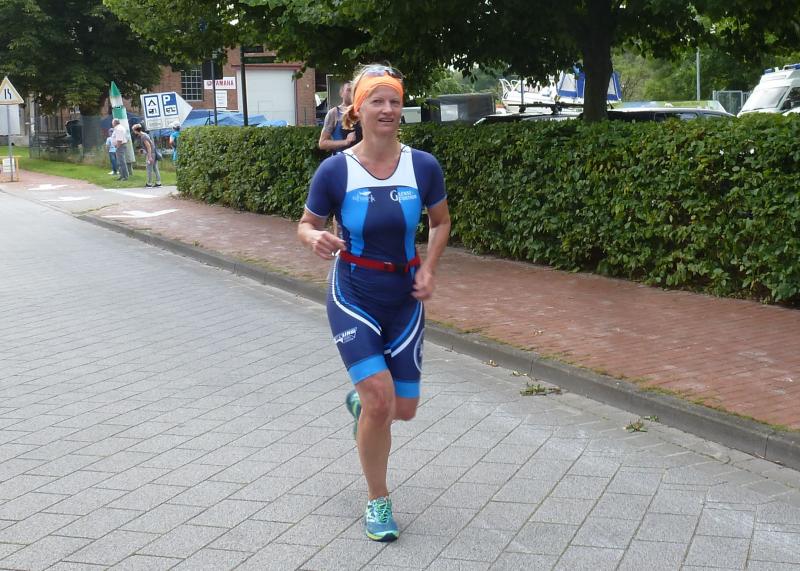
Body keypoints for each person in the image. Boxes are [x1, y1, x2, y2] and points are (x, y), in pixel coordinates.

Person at [298, 64, 451, 542]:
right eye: (377, 101)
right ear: (357, 109)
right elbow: (305, 224)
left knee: (403, 409)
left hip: (405, 297)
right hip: (354, 294)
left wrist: (429, 267)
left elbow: (441, 222)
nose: (387, 110)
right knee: (380, 400)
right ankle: (378, 500)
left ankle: (362, 405)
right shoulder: (335, 170)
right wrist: (314, 238)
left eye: (394, 101)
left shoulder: (423, 166)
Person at [318, 81, 361, 153]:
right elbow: (322, 143)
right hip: (341, 156)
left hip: (361, 158)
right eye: (349, 90)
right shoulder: (334, 113)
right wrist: (345, 142)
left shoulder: (362, 112)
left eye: (354, 90)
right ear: (341, 93)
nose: (352, 93)